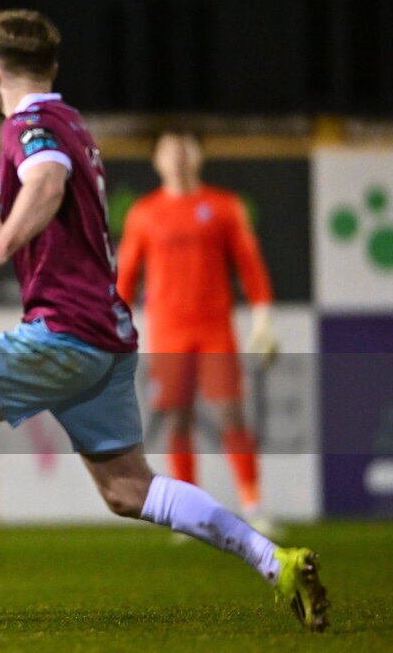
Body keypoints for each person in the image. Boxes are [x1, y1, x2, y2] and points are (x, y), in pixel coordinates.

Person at [0, 9, 327, 632]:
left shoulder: (29, 126)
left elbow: (46, 186)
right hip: (105, 337)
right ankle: (277, 561)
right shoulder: (71, 122)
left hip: (63, 334)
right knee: (128, 490)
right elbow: (59, 232)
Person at [116, 131, 279, 533]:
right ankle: (189, 515)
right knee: (177, 420)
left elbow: (251, 268)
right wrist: (115, 332)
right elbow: (125, 280)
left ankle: (253, 505)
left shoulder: (223, 207)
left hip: (214, 331)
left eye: (185, 148)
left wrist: (263, 323)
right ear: (157, 160)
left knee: (231, 414)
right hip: (169, 332)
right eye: (169, 149)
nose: (178, 157)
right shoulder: (144, 213)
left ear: (199, 156)